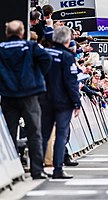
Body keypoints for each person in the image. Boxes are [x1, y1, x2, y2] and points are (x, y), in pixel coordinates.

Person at [0, 20, 52, 179]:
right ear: (22, 33)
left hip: (8, 96)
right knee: (34, 133)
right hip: (29, 94)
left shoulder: (1, 48)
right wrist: (38, 77)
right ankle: (37, 170)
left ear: (7, 33)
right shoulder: (31, 46)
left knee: (9, 134)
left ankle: (10, 170)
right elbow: (46, 59)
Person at [40, 26, 81, 179]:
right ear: (67, 40)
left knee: (43, 134)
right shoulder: (67, 56)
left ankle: (37, 169)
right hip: (63, 102)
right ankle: (58, 169)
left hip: (44, 99)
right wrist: (76, 103)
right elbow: (71, 82)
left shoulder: (44, 53)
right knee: (61, 135)